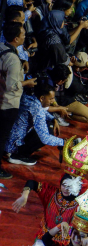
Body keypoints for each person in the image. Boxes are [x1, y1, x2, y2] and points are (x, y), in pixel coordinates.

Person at [0, 21, 37, 177]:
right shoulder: (13, 60)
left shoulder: (2, 47)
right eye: (22, 34)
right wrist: (27, 83)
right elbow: (12, 86)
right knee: (1, 137)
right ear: (16, 38)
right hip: (8, 104)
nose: (24, 37)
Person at [5, 82, 66, 165]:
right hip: (13, 145)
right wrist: (63, 142)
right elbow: (45, 138)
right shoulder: (37, 111)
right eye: (51, 99)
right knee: (48, 132)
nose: (53, 101)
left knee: (48, 125)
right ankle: (18, 155)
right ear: (42, 98)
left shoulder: (28, 97)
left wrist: (53, 119)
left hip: (7, 136)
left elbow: (41, 110)